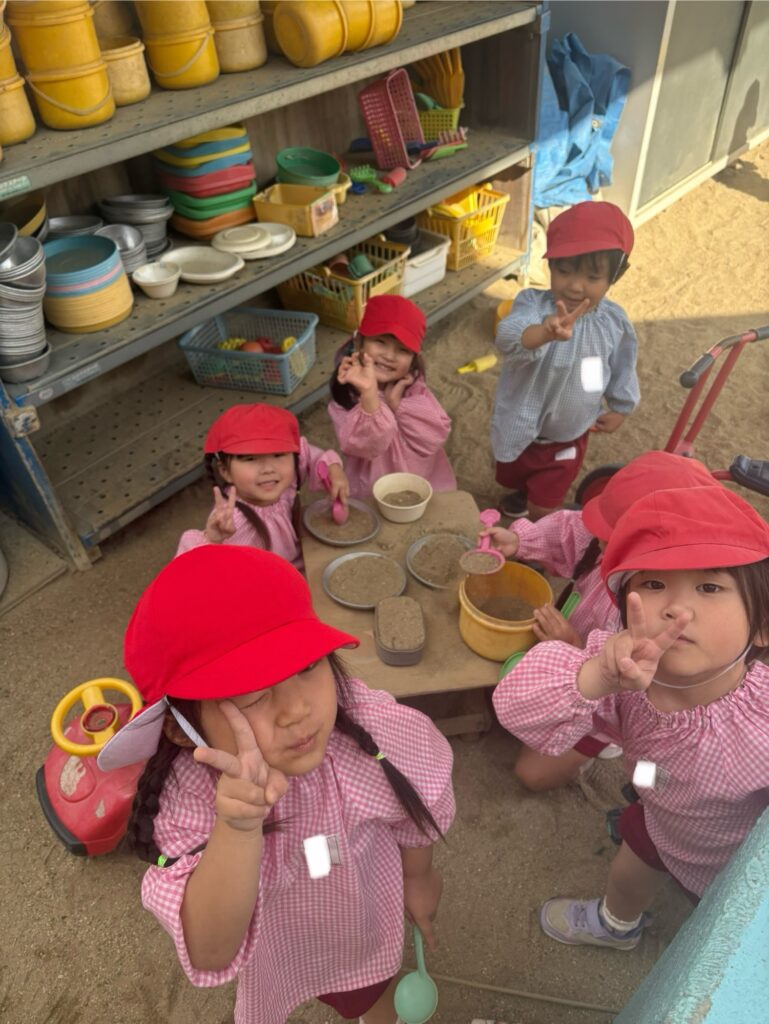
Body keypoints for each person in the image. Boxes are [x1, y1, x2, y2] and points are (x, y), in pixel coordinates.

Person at [98, 545, 454, 1023]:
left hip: (363, 919)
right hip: (282, 943)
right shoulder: (191, 800)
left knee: (372, 999)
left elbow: (416, 804)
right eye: (254, 696)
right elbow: (211, 951)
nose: (297, 711)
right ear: (180, 728)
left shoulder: (367, 732)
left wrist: (418, 877)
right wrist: (237, 826)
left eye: (306, 666)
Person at [493, 485, 769, 949]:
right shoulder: (617, 668)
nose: (676, 608)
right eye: (654, 584)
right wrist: (596, 676)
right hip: (657, 815)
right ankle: (617, 926)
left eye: (709, 587)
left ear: (762, 624)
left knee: (711, 934)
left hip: (721, 863)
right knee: (626, 874)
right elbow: (515, 707)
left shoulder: (762, 722)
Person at [481, 452, 718, 791]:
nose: (601, 543)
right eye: (604, 532)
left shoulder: (670, 621)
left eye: (613, 539)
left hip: (602, 697)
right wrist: (520, 541)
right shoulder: (601, 538)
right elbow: (569, 531)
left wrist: (574, 646)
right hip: (568, 645)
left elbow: (638, 693)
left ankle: (601, 747)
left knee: (531, 775)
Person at [491, 201, 639, 521]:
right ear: (551, 265)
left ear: (616, 275)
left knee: (545, 506)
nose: (574, 286)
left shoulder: (613, 323)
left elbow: (622, 367)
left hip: (569, 433)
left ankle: (539, 530)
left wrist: (621, 406)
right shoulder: (532, 304)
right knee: (512, 473)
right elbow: (508, 336)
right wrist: (543, 333)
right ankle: (523, 491)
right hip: (521, 424)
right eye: (564, 271)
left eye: (592, 276)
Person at [176, 403, 349, 570]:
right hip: (269, 584)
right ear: (225, 471)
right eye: (250, 458)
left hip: (301, 564)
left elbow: (308, 453)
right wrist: (212, 540)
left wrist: (333, 469)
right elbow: (186, 571)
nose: (268, 469)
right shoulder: (232, 521)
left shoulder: (288, 475)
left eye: (278, 454)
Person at [328, 294, 456, 498]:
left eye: (403, 350)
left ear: (414, 359)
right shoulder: (346, 396)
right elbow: (367, 447)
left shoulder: (412, 388)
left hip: (419, 480)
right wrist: (370, 394)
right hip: (372, 484)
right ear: (360, 342)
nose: (389, 356)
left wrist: (398, 405)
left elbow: (433, 438)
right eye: (380, 342)